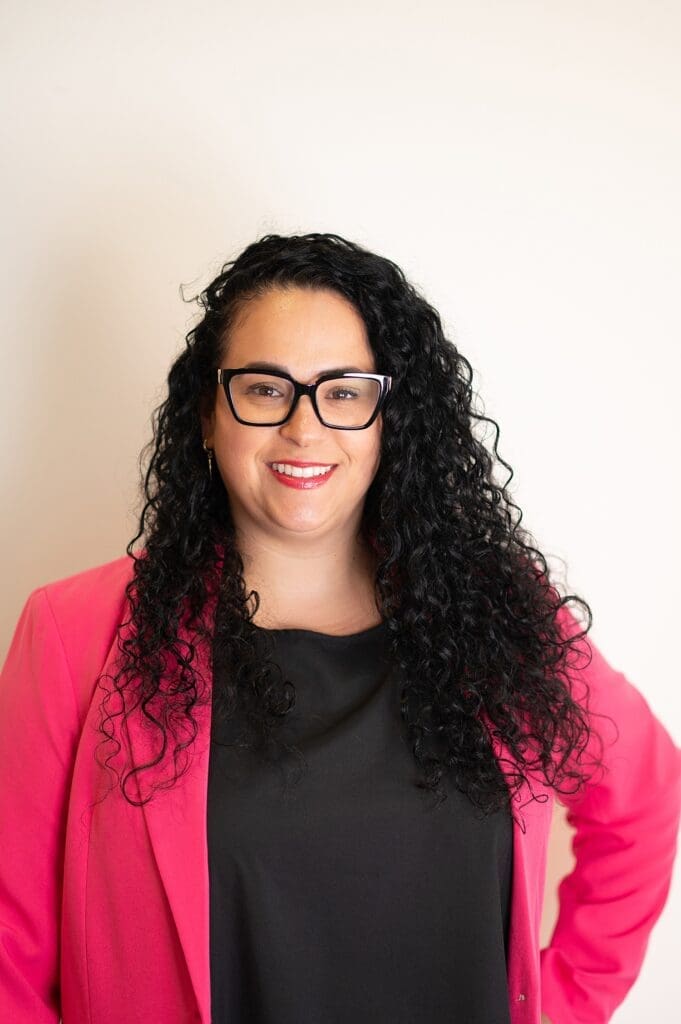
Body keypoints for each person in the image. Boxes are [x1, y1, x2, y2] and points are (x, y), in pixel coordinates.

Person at [0, 232, 679, 1024]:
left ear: (391, 417)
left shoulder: (495, 614)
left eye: (344, 391)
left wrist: (557, 1006)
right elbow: (9, 943)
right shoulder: (75, 632)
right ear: (207, 413)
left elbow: (643, 797)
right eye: (264, 389)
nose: (304, 428)